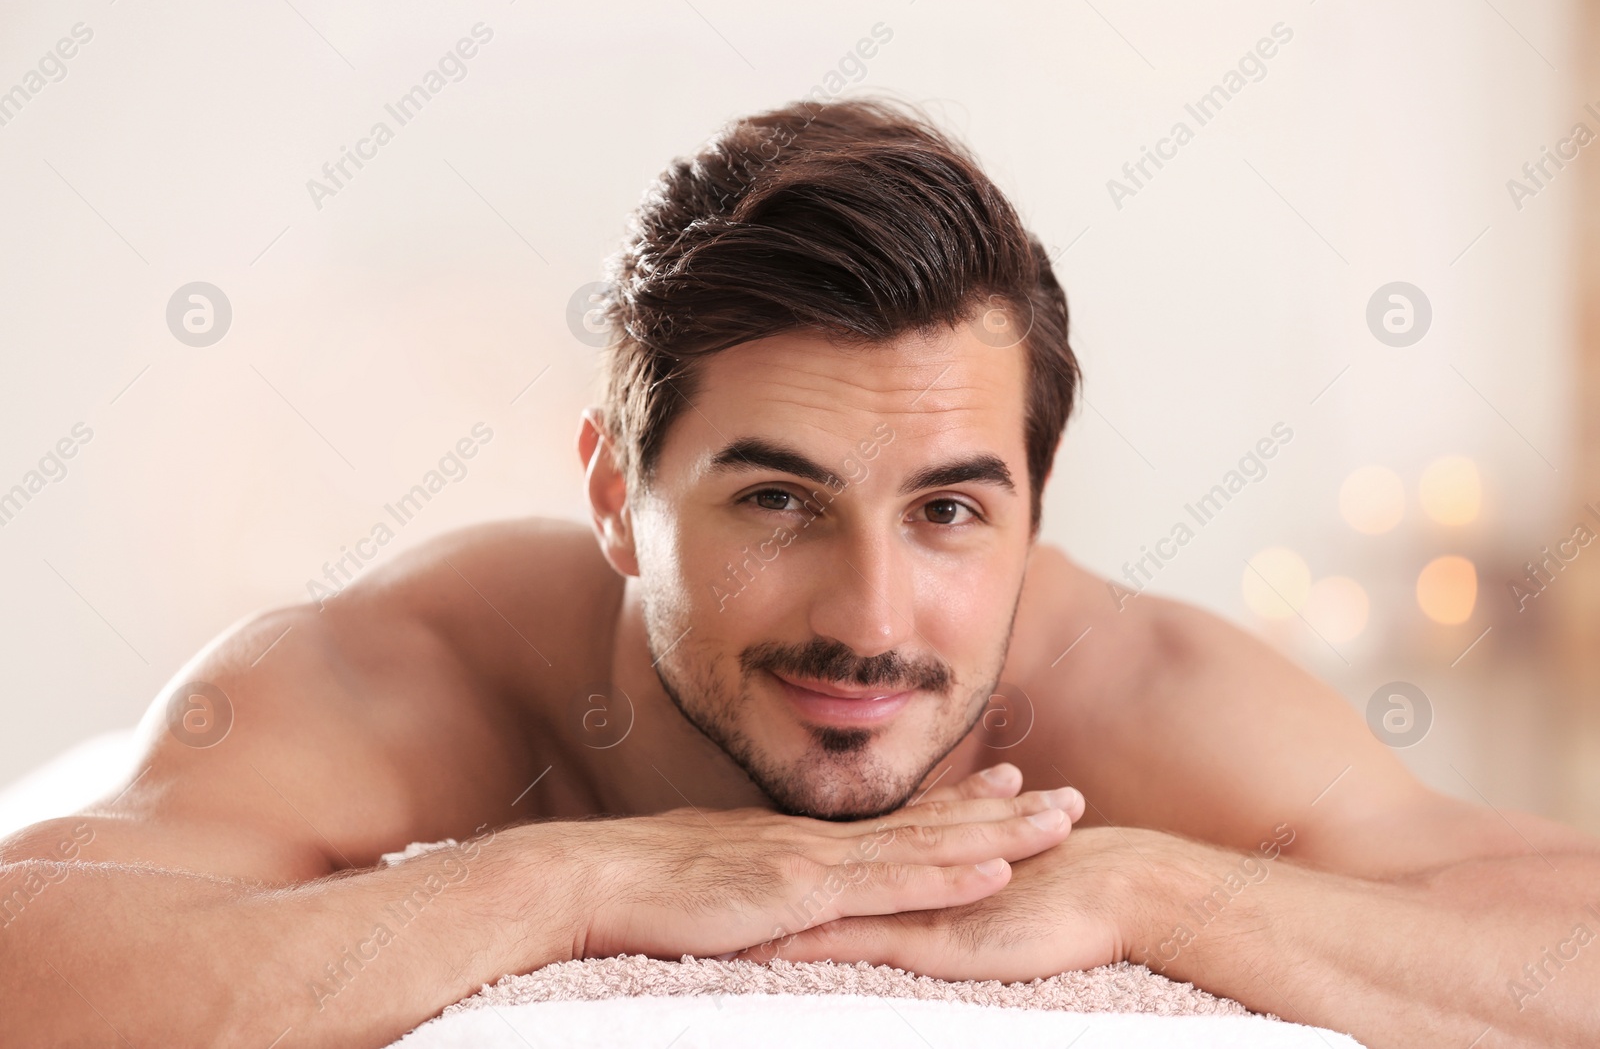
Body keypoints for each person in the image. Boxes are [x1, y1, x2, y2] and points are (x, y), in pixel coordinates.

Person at [3, 97, 1595, 1049]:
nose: (872, 620)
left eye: (952, 513)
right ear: (619, 502)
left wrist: (1156, 889)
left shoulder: (1137, 698)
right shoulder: (428, 669)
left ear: (1036, 513)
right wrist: (571, 880)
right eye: (779, 500)